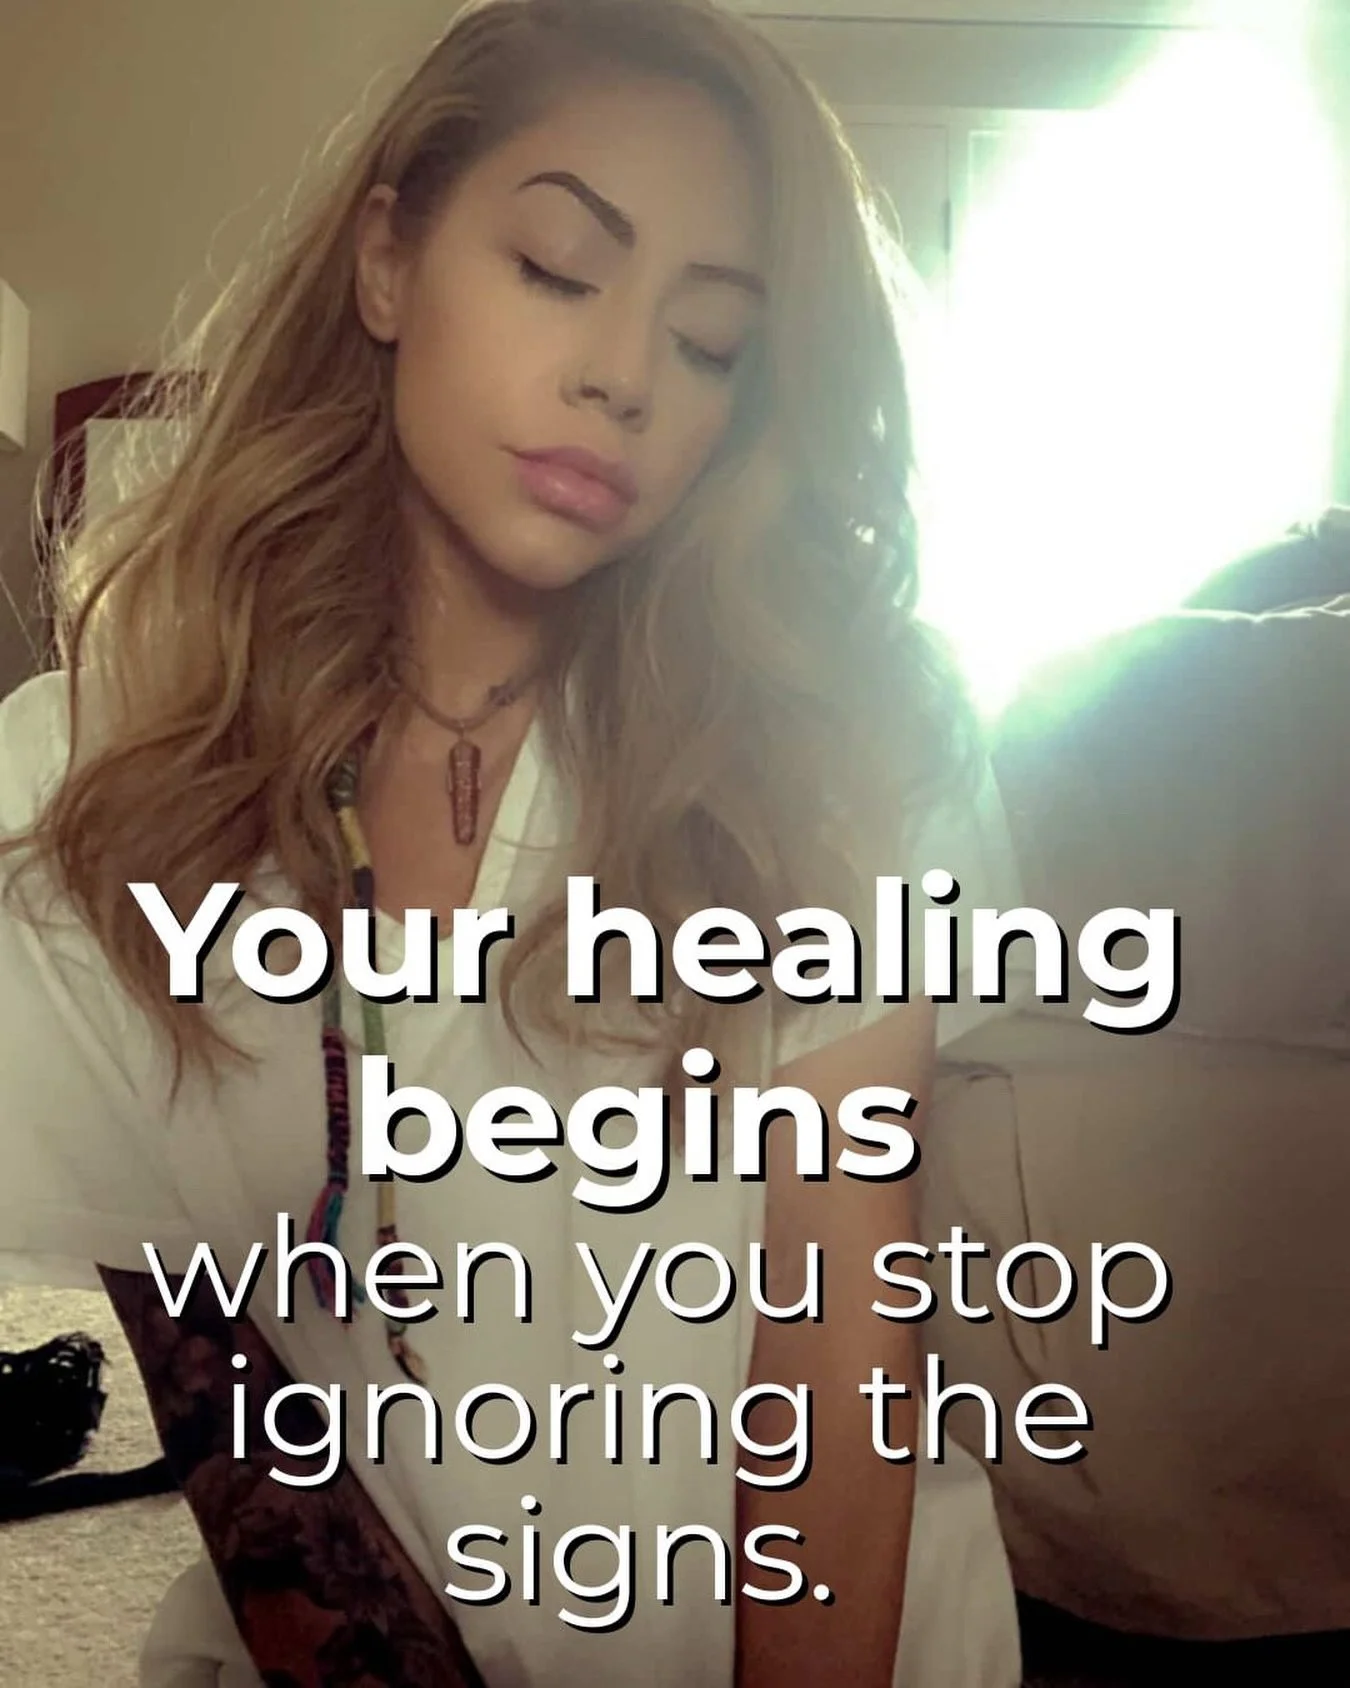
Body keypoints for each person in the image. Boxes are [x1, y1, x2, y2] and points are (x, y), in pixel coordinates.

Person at [0, 1, 1026, 1683]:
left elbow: (838, 1346)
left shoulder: (845, 739)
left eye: (710, 343)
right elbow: (167, 1387)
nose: (624, 374)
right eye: (557, 268)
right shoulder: (100, 780)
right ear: (388, 258)